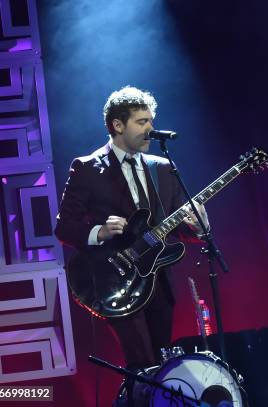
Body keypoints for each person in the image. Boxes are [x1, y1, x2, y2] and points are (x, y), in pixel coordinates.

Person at [55, 86, 209, 370]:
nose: (151, 128)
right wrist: (98, 231)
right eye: (142, 122)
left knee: (164, 363)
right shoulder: (87, 168)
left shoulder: (163, 167)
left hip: (158, 280)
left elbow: (177, 227)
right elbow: (64, 228)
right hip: (113, 278)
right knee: (142, 362)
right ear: (117, 125)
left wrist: (198, 226)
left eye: (151, 121)